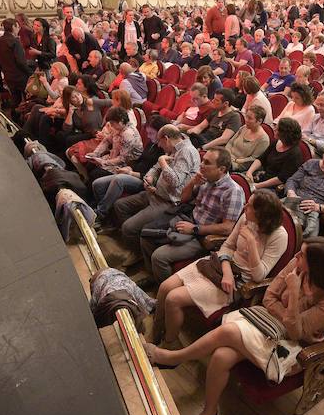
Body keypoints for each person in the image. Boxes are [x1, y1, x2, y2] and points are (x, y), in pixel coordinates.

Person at [144, 237, 324, 415]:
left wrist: (292, 293)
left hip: (289, 351)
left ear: (318, 266)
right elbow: (268, 298)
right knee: (221, 356)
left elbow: (295, 335)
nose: (296, 256)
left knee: (229, 332)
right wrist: (287, 316)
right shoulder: (296, 266)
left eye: (302, 255)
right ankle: (208, 414)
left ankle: (174, 358)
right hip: (265, 324)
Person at [152, 189, 287, 347]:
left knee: (173, 299)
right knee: (164, 287)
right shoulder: (246, 218)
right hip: (220, 266)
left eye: (250, 206)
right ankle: (157, 330)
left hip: (237, 283)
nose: (245, 207)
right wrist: (227, 270)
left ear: (261, 214)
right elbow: (227, 246)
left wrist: (251, 243)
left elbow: (259, 276)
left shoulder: (279, 236)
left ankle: (170, 342)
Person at [143, 148, 244, 285]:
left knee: (159, 257)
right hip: (187, 219)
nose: (201, 165)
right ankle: (154, 277)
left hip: (202, 236)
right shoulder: (206, 180)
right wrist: (192, 183)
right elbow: (183, 198)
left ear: (221, 169)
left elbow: (227, 228)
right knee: (146, 236)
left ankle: (163, 289)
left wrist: (195, 228)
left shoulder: (233, 191)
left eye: (207, 163)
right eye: (202, 161)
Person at [114, 124, 200, 256]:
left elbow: (175, 181)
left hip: (168, 202)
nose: (159, 145)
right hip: (155, 193)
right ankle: (133, 243)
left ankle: (136, 254)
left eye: (160, 142)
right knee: (120, 205)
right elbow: (156, 167)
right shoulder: (174, 147)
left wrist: (162, 161)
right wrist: (150, 175)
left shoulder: (186, 152)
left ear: (166, 138)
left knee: (128, 227)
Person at [92, 115, 169, 228]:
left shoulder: (164, 149)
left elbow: (153, 176)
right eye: (147, 133)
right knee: (97, 184)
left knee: (119, 179)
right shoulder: (152, 143)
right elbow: (141, 160)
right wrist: (129, 168)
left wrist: (130, 173)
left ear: (161, 132)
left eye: (151, 133)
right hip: (133, 173)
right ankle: (108, 218)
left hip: (143, 180)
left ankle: (100, 214)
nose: (148, 136)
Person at [245, 118, 303, 192]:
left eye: (277, 128)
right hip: (263, 176)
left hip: (274, 187)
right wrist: (249, 172)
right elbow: (261, 159)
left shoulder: (294, 154)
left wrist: (257, 186)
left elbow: (281, 179)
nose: (274, 129)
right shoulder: (276, 142)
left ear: (284, 134)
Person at [0, 18, 33, 110]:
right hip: (20, 76)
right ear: (13, 27)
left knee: (15, 99)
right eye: (17, 27)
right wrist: (30, 73)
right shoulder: (15, 41)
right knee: (28, 99)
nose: (18, 29)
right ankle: (24, 120)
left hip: (8, 75)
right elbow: (21, 62)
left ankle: (14, 119)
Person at [225, 106, 271, 171]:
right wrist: (227, 155)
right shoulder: (244, 128)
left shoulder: (264, 140)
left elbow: (254, 158)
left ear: (259, 121)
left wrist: (236, 160)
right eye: (246, 116)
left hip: (240, 165)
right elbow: (230, 143)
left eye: (250, 118)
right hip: (227, 158)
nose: (246, 120)